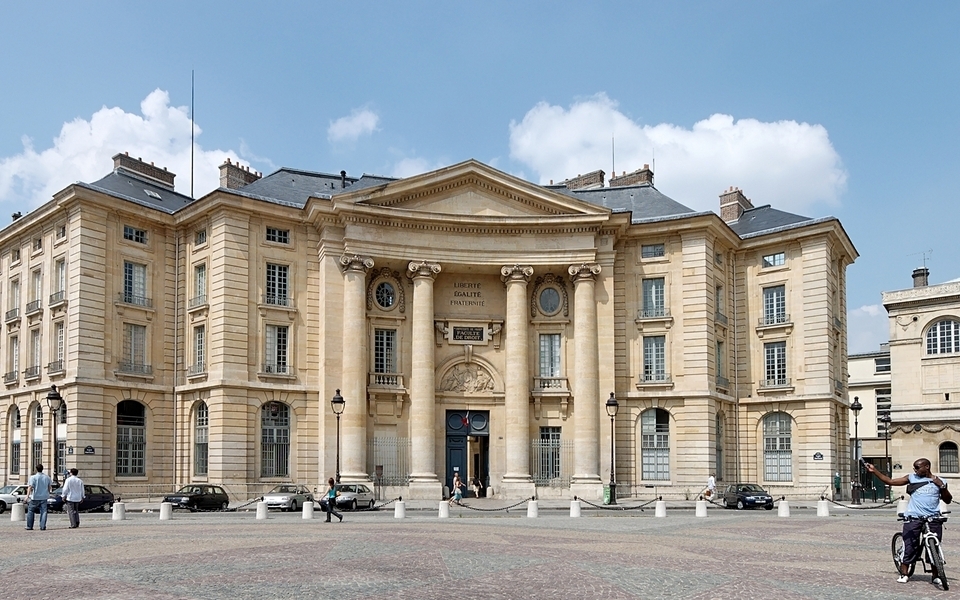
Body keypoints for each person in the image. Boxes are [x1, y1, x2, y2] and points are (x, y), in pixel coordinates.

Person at [866, 458, 952, 585]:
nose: (915, 470)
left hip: (933, 518)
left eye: (917, 467)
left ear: (927, 467)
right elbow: (890, 481)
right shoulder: (911, 478)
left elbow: (948, 500)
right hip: (913, 517)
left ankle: (935, 576)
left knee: (935, 547)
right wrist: (875, 471)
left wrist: (942, 487)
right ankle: (904, 573)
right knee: (910, 546)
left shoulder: (940, 481)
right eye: (914, 467)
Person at [25, 463, 52, 531]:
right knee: (44, 511)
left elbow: (30, 487)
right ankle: (42, 526)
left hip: (35, 497)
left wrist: (27, 496)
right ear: (42, 469)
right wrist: (48, 493)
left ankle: (29, 526)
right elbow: (49, 487)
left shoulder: (33, 477)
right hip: (44, 497)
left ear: (36, 469)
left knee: (31, 511)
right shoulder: (47, 477)